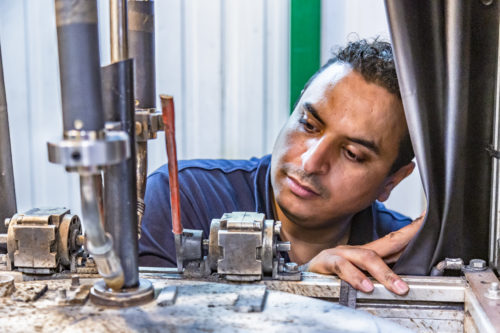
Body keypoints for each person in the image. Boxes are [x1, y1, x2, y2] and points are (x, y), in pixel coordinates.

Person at [138, 39, 424, 296]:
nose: (311, 163)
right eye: (309, 125)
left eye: (352, 153)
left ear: (392, 181)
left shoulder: (402, 255)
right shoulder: (184, 201)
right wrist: (306, 291)